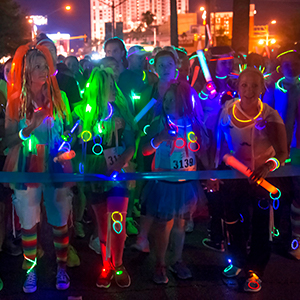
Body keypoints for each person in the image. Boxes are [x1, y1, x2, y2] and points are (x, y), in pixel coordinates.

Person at [4, 43, 74, 293]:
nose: (44, 71)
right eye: (37, 67)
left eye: (45, 66)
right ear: (25, 71)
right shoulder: (15, 101)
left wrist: (68, 143)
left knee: (58, 218)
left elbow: (67, 132)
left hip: (56, 163)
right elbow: (8, 139)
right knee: (28, 221)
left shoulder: (60, 97)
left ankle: (62, 266)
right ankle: (31, 269)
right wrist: (28, 128)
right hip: (26, 163)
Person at [214, 67, 288, 292]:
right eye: (244, 84)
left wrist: (268, 166)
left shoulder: (269, 115)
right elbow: (219, 145)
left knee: (260, 226)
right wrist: (216, 173)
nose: (248, 90)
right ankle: (236, 261)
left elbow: (283, 153)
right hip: (234, 179)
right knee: (232, 222)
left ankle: (255, 270)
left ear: (262, 88)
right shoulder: (227, 110)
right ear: (237, 86)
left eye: (254, 85)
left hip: (261, 183)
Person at [74, 67, 136, 289]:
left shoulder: (121, 111)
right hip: (95, 173)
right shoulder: (82, 114)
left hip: (118, 173)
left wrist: (121, 164)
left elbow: (131, 144)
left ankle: (118, 264)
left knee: (117, 218)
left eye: (113, 85)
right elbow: (70, 142)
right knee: (102, 223)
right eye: (107, 86)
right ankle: (106, 265)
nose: (112, 89)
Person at [141, 81, 207, 284]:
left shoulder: (193, 123)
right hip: (164, 185)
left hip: (186, 183)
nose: (168, 103)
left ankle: (176, 260)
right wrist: (159, 138)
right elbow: (144, 150)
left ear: (185, 102)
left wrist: (211, 174)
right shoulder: (159, 122)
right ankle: (160, 263)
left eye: (173, 100)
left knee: (181, 224)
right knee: (163, 226)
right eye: (166, 99)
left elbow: (202, 149)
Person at [263, 48, 300, 259]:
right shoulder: (274, 88)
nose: (291, 67)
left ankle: (296, 239)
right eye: (286, 63)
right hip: (277, 149)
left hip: (298, 148)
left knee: (298, 194)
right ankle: (273, 232)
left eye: (295, 63)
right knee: (276, 191)